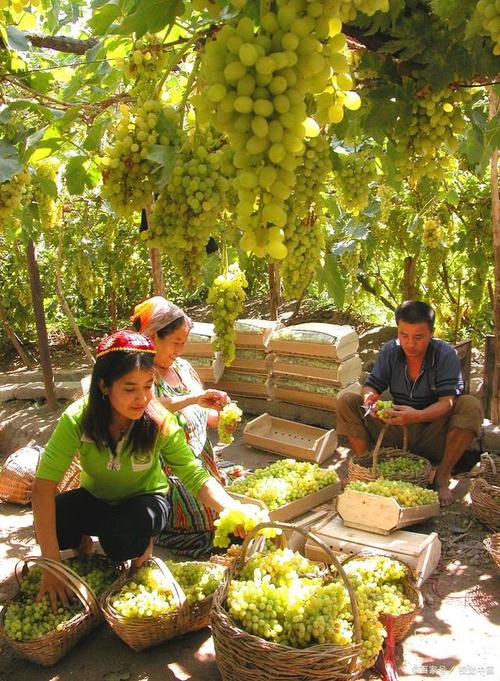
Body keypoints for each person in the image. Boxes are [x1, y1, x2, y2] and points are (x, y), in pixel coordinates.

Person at [32, 330, 243, 610]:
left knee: (119, 544)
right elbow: (42, 488)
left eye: (148, 386)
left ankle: (142, 544)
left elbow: (195, 475)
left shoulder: (159, 421)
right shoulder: (78, 419)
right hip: (97, 498)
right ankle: (83, 545)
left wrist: (232, 509)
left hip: (145, 500)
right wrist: (51, 565)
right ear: (104, 386)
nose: (142, 398)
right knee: (51, 522)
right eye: (130, 388)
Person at [336, 300, 483, 506]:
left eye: (418, 337)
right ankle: (370, 469)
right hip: (396, 430)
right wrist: (370, 401)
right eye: (403, 335)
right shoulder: (390, 351)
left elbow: (448, 402)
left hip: (433, 432)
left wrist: (417, 415)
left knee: (470, 406)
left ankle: (441, 476)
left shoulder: (445, 355)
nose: (410, 344)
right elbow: (371, 386)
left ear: (431, 333)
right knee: (347, 401)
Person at [131, 296, 234, 557]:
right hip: (168, 469)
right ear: (153, 337)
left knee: (228, 515)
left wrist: (223, 418)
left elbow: (201, 414)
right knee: (210, 524)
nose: (180, 349)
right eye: (175, 342)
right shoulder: (139, 374)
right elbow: (149, 407)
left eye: (184, 343)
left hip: (199, 463)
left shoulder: (183, 368)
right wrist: (193, 398)